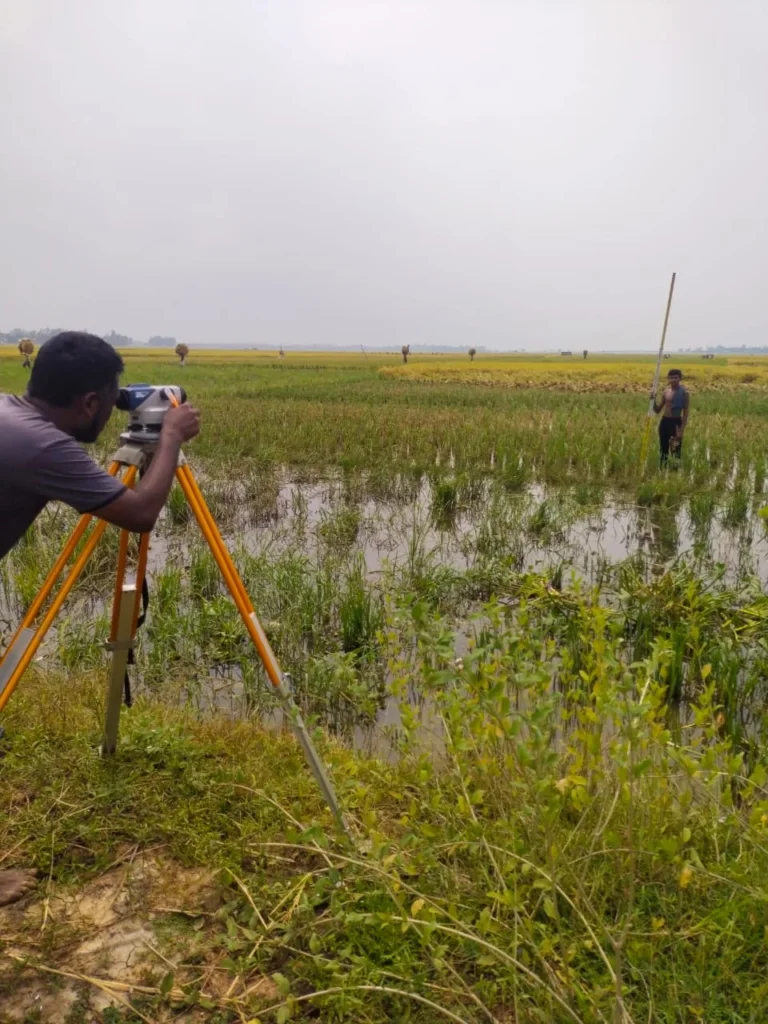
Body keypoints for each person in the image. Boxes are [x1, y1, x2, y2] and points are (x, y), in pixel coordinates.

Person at [0, 331, 200, 905]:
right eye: (111, 396)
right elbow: (139, 513)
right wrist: (170, 440)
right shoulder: (41, 446)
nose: (116, 404)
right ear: (89, 403)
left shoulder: (14, 417)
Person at [652, 368, 689, 466]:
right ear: (668, 379)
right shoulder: (666, 392)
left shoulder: (684, 393)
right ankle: (663, 468)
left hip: (676, 423)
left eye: (675, 377)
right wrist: (653, 400)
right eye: (671, 377)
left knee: (676, 448)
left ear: (680, 378)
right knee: (663, 447)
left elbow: (686, 412)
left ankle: (675, 470)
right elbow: (657, 410)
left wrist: (681, 429)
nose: (673, 379)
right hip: (665, 422)